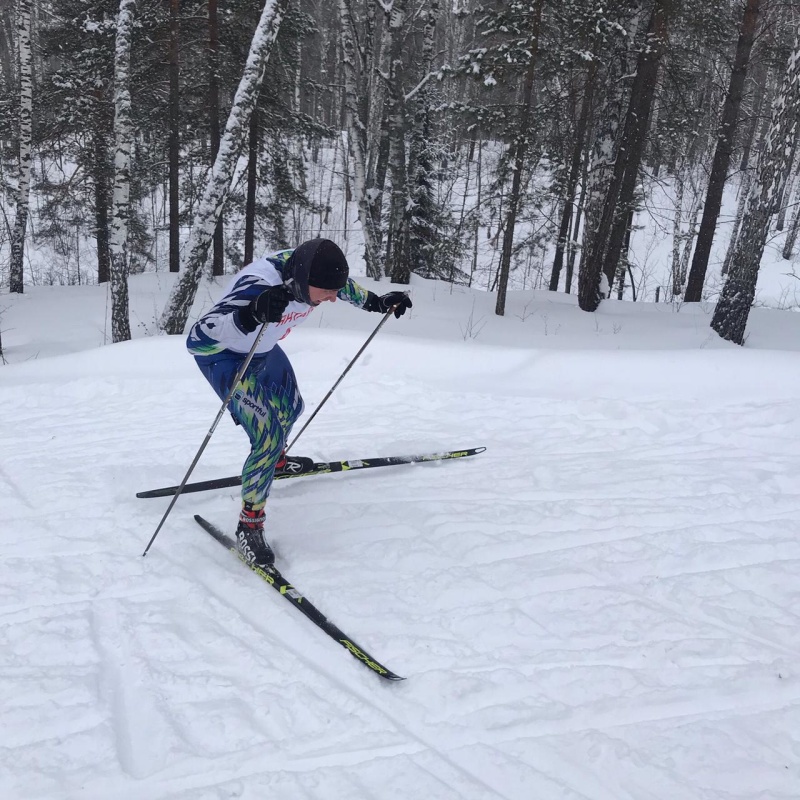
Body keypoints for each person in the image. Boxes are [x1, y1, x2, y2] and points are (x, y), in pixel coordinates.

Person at [186, 238, 412, 568]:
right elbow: (196, 340)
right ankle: (249, 525)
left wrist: (377, 303)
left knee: (292, 407)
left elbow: (342, 287)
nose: (333, 298)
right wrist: (249, 315)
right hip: (227, 358)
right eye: (327, 292)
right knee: (267, 437)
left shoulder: (305, 272)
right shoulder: (257, 284)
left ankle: (275, 463)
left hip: (264, 347)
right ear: (304, 281)